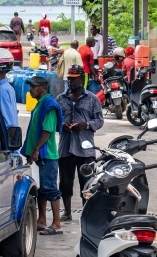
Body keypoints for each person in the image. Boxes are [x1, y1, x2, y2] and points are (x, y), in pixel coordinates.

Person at [55, 65, 104, 219]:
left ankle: (87, 213)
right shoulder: (60, 99)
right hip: (65, 148)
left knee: (87, 184)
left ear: (82, 79)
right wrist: (61, 125)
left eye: (74, 79)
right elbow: (54, 120)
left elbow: (99, 120)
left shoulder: (92, 99)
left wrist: (86, 125)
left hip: (85, 149)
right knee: (65, 183)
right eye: (69, 79)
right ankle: (67, 212)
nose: (70, 82)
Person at [21, 76, 63, 235]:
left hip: (48, 155)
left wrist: (37, 148)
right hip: (39, 155)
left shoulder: (49, 105)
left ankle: (57, 224)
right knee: (42, 189)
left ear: (43, 88)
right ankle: (42, 220)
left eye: (33, 86)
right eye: (30, 86)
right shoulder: (40, 104)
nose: (30, 89)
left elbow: (47, 130)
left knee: (50, 188)